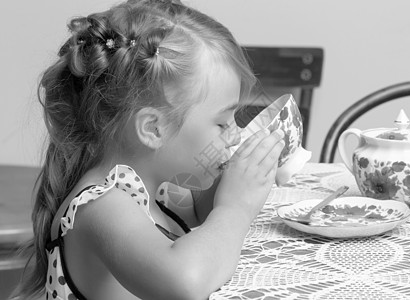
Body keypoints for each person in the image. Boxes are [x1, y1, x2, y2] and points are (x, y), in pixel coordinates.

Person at [13, 0, 286, 299]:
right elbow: (185, 283)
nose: (234, 134)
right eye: (222, 123)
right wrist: (236, 208)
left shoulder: (146, 188)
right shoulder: (101, 207)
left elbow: (198, 211)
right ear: (154, 129)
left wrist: (249, 176)